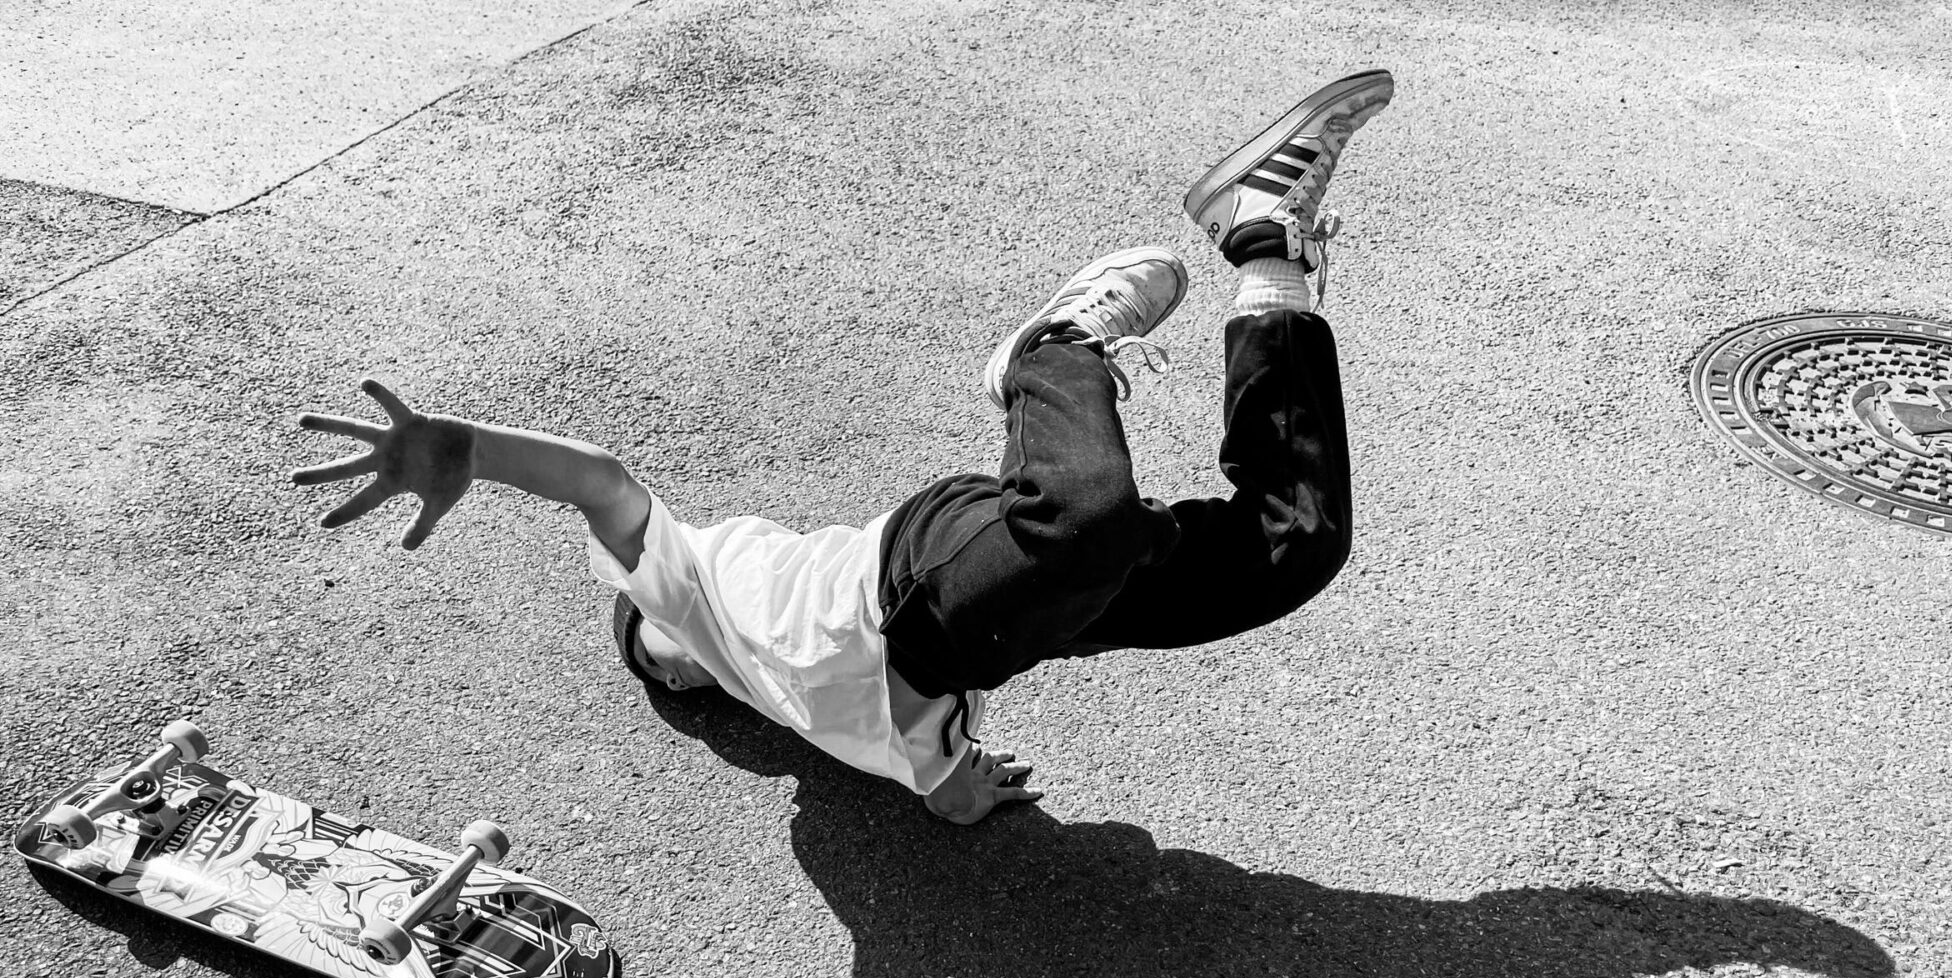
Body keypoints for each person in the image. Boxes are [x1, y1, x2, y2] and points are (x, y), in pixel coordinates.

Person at [293, 72, 1395, 824]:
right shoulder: (818, 728)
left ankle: (1051, 351)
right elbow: (939, 777)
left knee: (1087, 526)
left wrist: (470, 449)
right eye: (668, 678)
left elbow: (601, 485)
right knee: (1291, 546)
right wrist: (959, 792)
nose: (672, 672)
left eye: (649, 652)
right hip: (989, 635)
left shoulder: (694, 588)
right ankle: (1265, 246)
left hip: (908, 578)